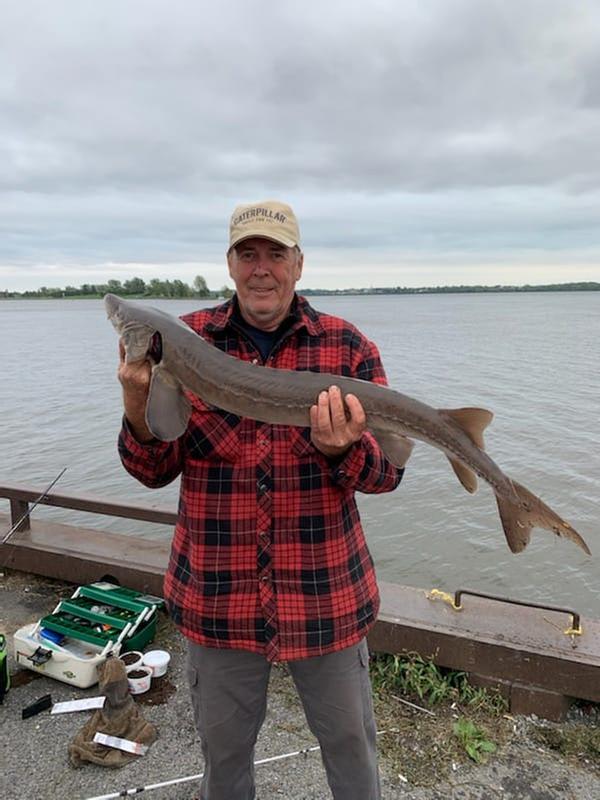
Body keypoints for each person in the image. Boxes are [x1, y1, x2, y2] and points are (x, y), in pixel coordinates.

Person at [117, 200, 410, 800]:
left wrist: (341, 451)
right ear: (229, 264)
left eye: (275, 254)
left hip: (327, 597)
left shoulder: (347, 346)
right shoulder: (185, 341)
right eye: (248, 254)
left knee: (355, 760)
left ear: (298, 264)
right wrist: (135, 409)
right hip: (218, 602)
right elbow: (152, 470)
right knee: (224, 768)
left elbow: (387, 474)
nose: (261, 269)